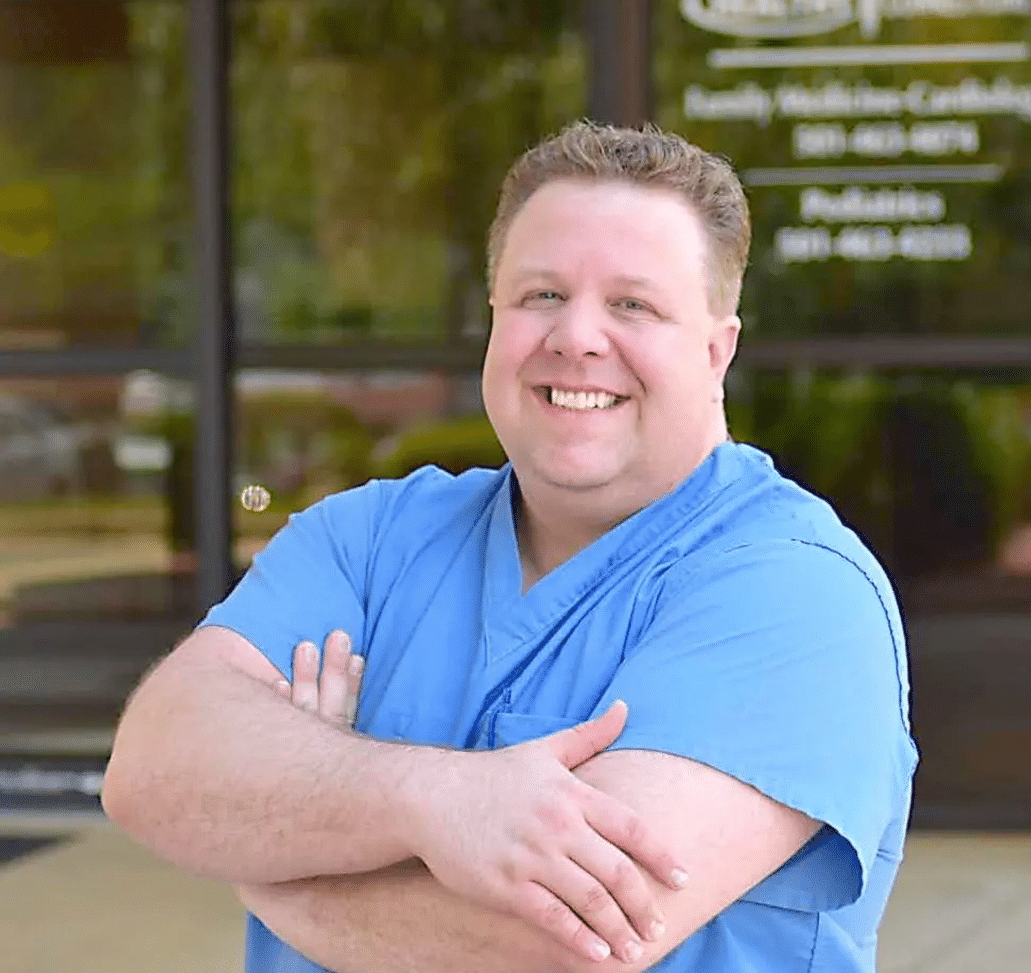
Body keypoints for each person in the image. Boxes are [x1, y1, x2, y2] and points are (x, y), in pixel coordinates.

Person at [101, 120, 918, 973]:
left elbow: (571, 942)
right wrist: (436, 797)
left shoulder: (797, 592)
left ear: (717, 351)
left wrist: (282, 858)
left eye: (633, 305)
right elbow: (150, 772)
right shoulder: (367, 540)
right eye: (542, 295)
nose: (577, 337)